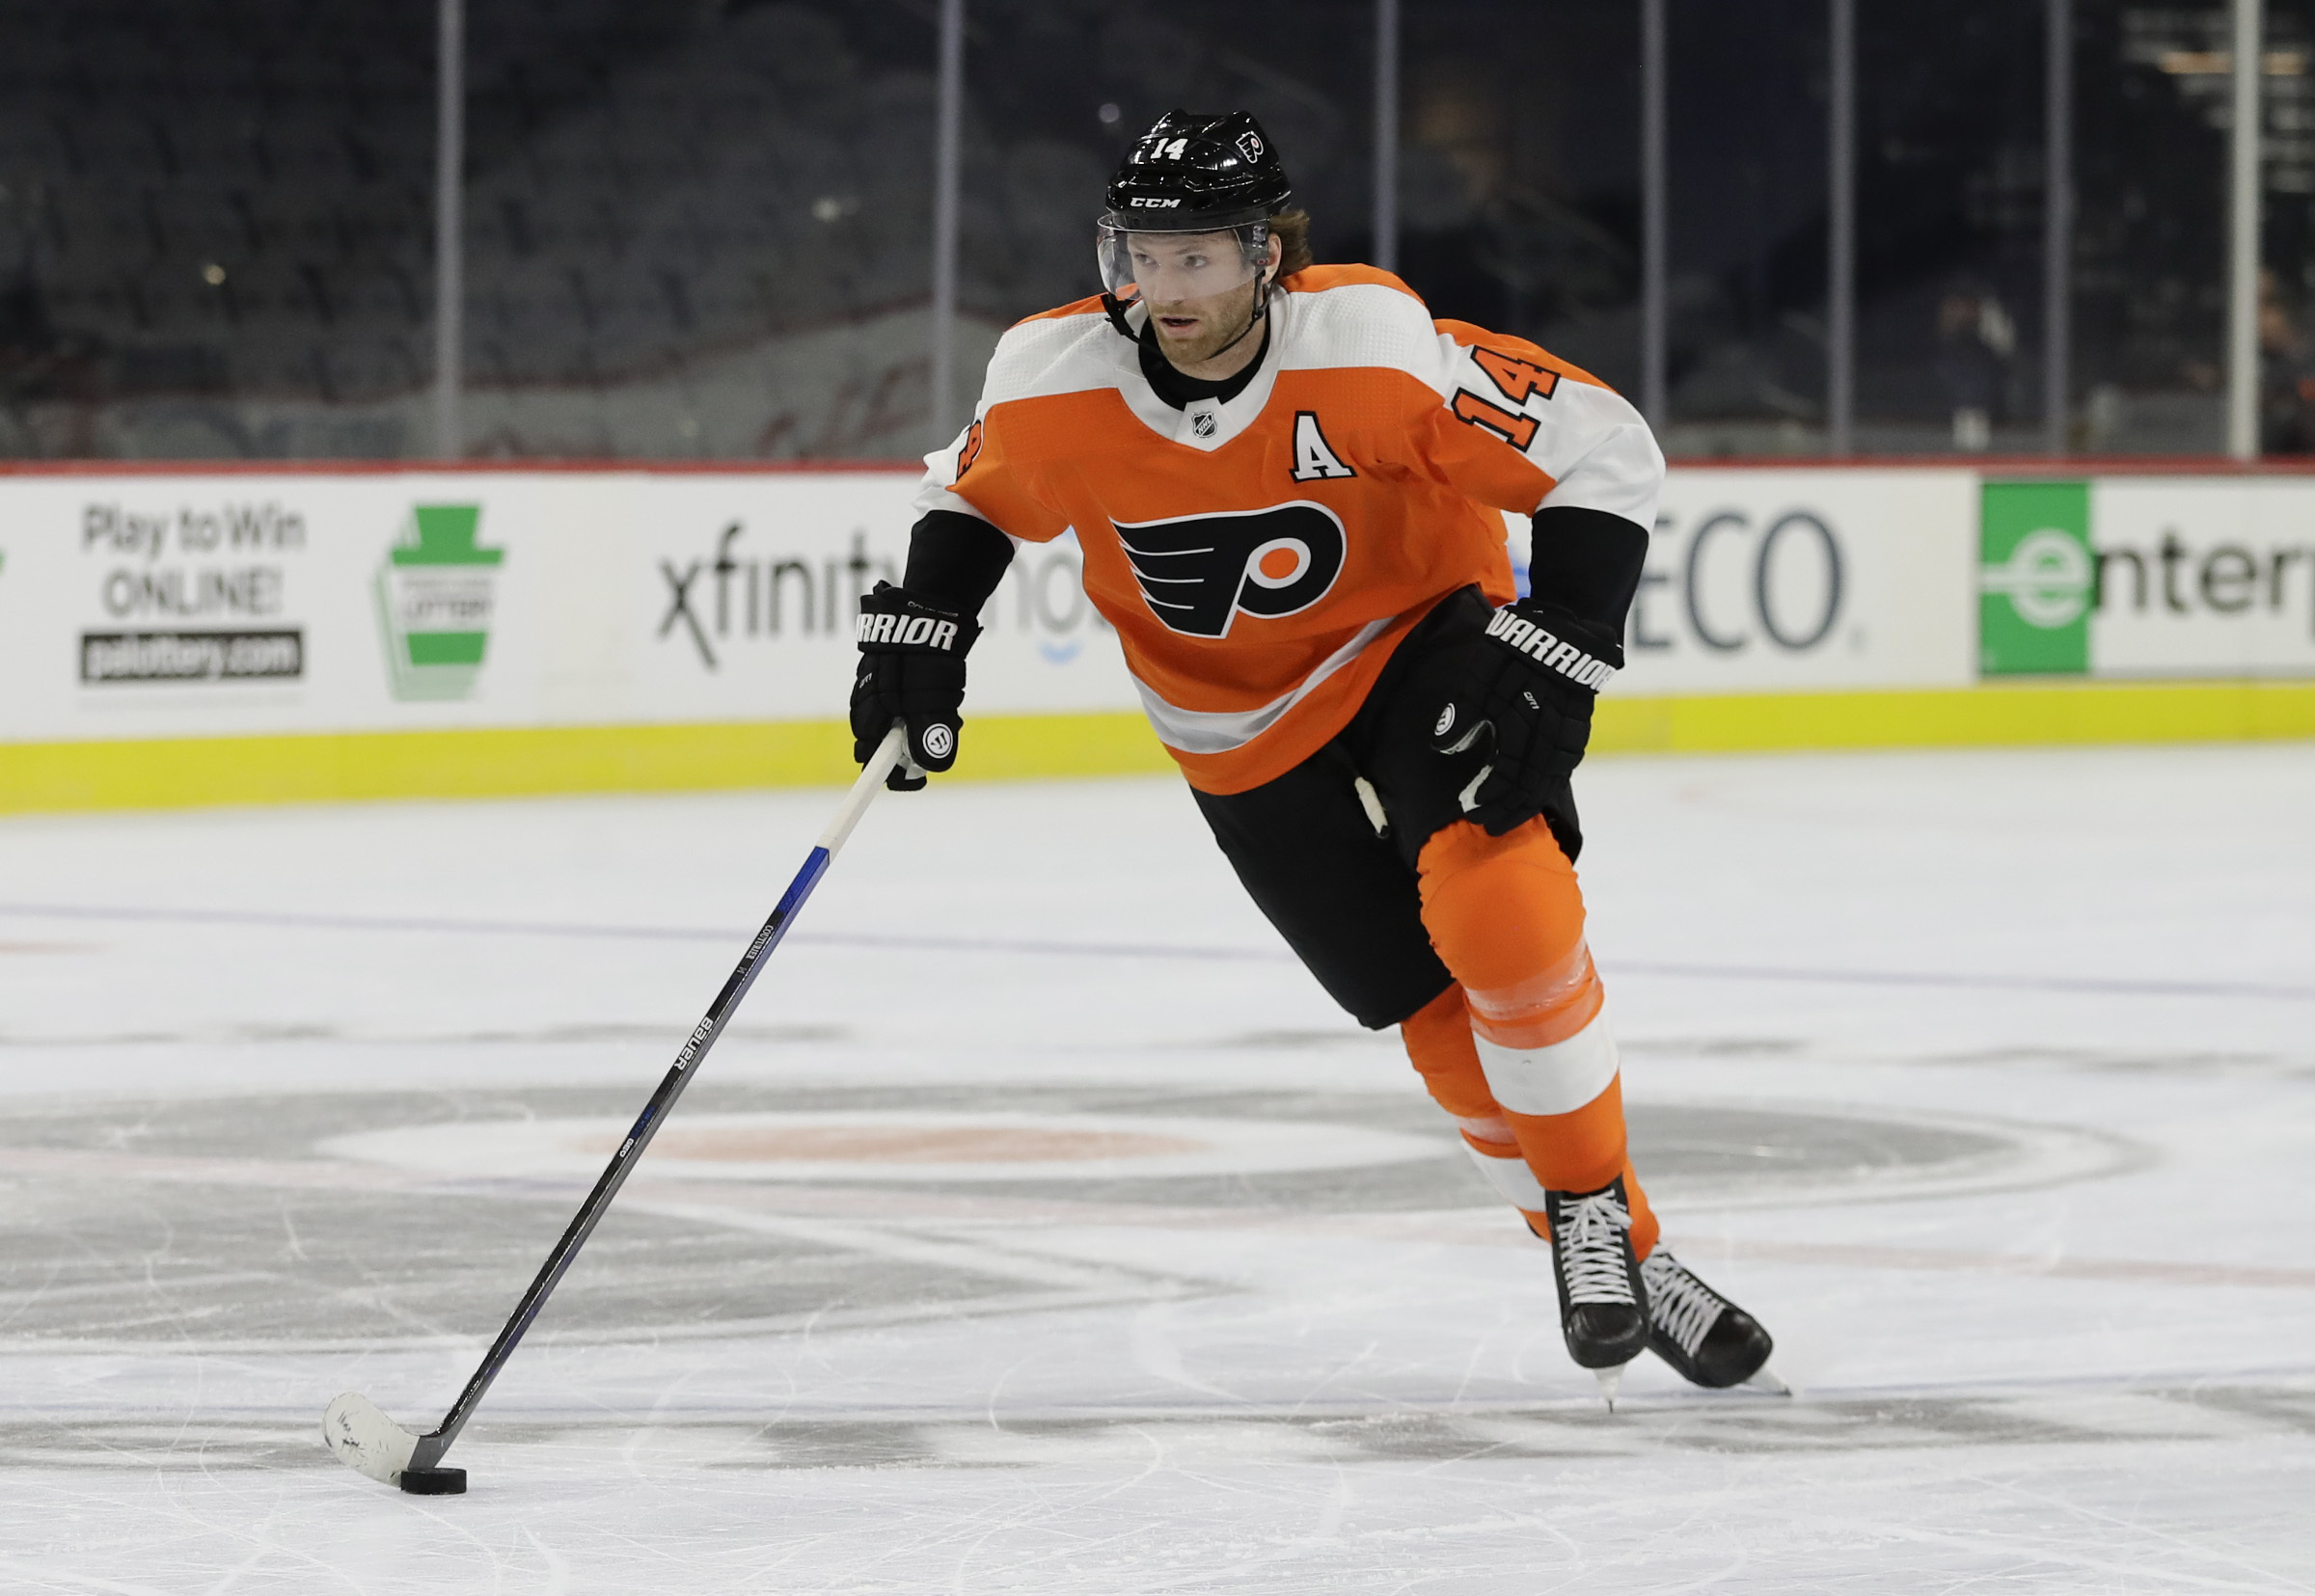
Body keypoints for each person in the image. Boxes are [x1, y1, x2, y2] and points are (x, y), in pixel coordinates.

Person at [850, 111, 1775, 1400]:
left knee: (1497, 898)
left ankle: (1588, 1217)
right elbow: (968, 492)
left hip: (1414, 645)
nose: (1166, 293)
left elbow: (1602, 446)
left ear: (1269, 255)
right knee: (1421, 1000)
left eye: (1201, 260)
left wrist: (1564, 640)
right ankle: (1621, 1237)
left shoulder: (1374, 351)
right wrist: (923, 624)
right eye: (1144, 258)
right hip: (1226, 725)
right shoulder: (1049, 380)